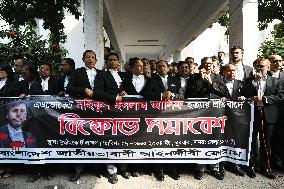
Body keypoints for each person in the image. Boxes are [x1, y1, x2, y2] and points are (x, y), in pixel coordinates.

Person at [242, 57, 284, 179]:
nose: (260, 68)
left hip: (269, 115)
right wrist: (255, 82)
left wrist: (264, 99)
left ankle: (266, 166)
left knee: (266, 142)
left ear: (268, 67)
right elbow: (243, 93)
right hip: (252, 114)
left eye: (262, 66)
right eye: (258, 66)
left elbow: (280, 96)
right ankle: (250, 165)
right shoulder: (250, 80)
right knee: (252, 140)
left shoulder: (275, 81)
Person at [185, 57, 226, 180]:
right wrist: (200, 80)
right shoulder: (193, 77)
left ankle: (214, 167)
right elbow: (189, 95)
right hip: (200, 113)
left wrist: (210, 83)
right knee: (201, 140)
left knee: (214, 139)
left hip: (215, 113)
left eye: (210, 64)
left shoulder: (218, 77)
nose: (208, 66)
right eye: (205, 64)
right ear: (201, 65)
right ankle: (200, 167)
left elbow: (225, 93)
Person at [0, 101, 36, 178]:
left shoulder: (30, 136)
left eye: (22, 111)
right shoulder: (0, 132)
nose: (19, 114)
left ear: (26, 116)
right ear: (7, 114)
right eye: (14, 111)